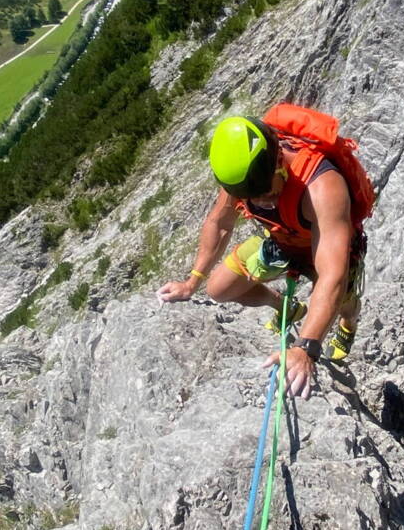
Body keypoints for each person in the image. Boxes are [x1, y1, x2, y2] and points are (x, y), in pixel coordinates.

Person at [157, 104, 374, 398]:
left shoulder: (322, 186)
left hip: (321, 250)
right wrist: (191, 282)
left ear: (278, 162)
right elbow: (219, 224)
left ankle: (349, 323)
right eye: (255, 197)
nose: (265, 202)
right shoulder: (244, 179)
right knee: (218, 290)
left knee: (343, 301)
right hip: (282, 242)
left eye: (269, 192)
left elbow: (332, 276)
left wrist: (305, 348)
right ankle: (285, 306)